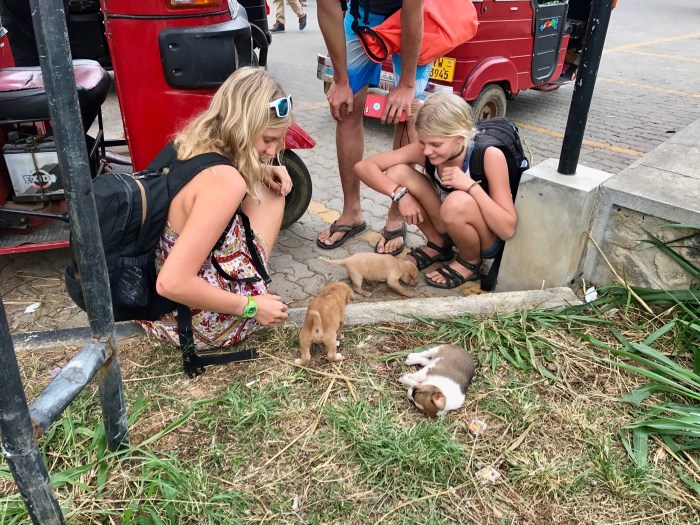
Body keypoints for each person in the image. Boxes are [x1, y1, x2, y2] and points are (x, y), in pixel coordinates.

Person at [138, 68, 292, 349]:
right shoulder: (225, 181)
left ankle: (246, 282)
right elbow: (171, 283)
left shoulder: (191, 142)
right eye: (267, 139)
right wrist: (252, 307)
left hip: (151, 301)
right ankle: (253, 291)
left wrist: (259, 170)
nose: (272, 152)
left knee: (262, 187)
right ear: (242, 126)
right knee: (272, 196)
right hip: (195, 322)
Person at [354, 92, 517, 289]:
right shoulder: (426, 151)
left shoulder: (489, 156)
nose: (427, 151)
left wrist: (471, 186)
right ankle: (438, 244)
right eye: (423, 142)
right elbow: (363, 167)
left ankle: (469, 261)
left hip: (486, 237)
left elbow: (507, 229)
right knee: (398, 172)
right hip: (447, 222)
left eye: (436, 144)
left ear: (459, 138)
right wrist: (400, 195)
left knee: (456, 202)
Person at [316, 0, 428, 255]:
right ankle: (352, 213)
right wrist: (341, 81)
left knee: (407, 113)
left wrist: (406, 85)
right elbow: (327, 7)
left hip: (415, 15)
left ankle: (396, 216)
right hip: (363, 14)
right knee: (346, 108)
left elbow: (413, 11)